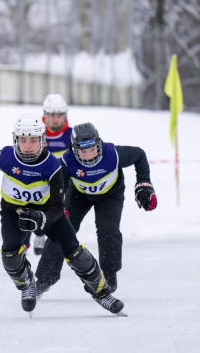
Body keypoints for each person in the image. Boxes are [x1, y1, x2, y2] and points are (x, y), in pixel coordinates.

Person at [0, 114, 126, 316]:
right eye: (23, 140)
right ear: (16, 140)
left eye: (33, 140)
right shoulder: (6, 156)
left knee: (74, 252)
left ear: (42, 141)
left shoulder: (53, 165)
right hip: (14, 211)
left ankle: (103, 294)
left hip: (47, 212)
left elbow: (58, 204)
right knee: (10, 255)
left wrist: (43, 219)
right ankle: (27, 285)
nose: (28, 146)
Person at [35, 122, 156, 297]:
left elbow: (139, 155)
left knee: (108, 230)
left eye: (92, 149)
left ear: (99, 145)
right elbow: (57, 186)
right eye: (83, 152)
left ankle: (108, 276)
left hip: (110, 195)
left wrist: (143, 184)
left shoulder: (113, 154)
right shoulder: (67, 161)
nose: (88, 155)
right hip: (78, 196)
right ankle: (45, 279)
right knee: (60, 230)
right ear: (74, 150)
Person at [29, 94, 74, 255]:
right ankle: (35, 235)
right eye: (52, 115)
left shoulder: (72, 135)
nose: (55, 119)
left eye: (59, 115)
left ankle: (56, 238)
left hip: (63, 180)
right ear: (45, 115)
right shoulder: (35, 133)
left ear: (65, 115)